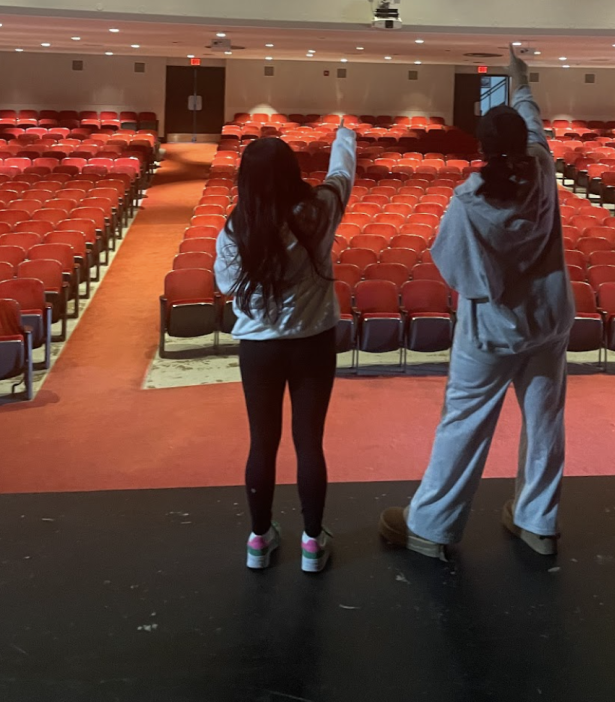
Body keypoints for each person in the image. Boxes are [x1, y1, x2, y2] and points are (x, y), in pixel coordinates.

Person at [379, 47, 574, 560]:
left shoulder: (470, 200)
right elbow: (532, 123)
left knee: (464, 421)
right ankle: (538, 520)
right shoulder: (542, 166)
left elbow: (459, 271)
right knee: (546, 418)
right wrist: (522, 82)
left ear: (481, 149)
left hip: (493, 327)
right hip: (550, 319)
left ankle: (432, 525)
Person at [215, 121, 357, 573]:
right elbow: (343, 174)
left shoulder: (237, 226)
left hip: (260, 347)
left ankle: (259, 539)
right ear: (294, 170)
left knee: (263, 442)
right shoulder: (320, 209)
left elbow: (223, 283)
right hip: (313, 341)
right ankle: (312, 543)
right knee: (309, 442)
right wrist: (343, 136)